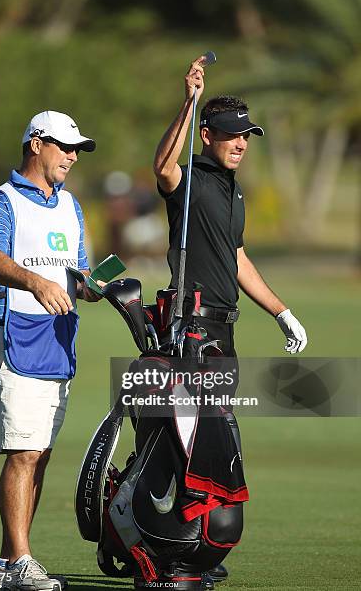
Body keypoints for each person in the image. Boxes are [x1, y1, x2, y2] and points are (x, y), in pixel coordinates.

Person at [153, 57, 307, 584]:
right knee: (195, 442)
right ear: (207, 136)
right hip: (190, 328)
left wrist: (282, 311)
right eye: (232, 135)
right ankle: (175, 551)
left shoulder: (234, 190)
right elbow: (163, 168)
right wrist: (190, 99)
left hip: (224, 329)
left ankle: (200, 549)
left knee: (216, 440)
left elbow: (237, 260)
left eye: (247, 136)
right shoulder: (191, 179)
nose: (242, 143)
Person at [0, 111, 103, 591]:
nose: (72, 156)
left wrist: (95, 286)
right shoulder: (0, 201)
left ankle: (10, 561)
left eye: (77, 150)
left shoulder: (71, 206)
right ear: (35, 144)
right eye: (64, 147)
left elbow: (79, 271)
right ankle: (21, 559)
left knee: (40, 452)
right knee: (24, 451)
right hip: (12, 331)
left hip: (57, 336)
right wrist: (34, 280)